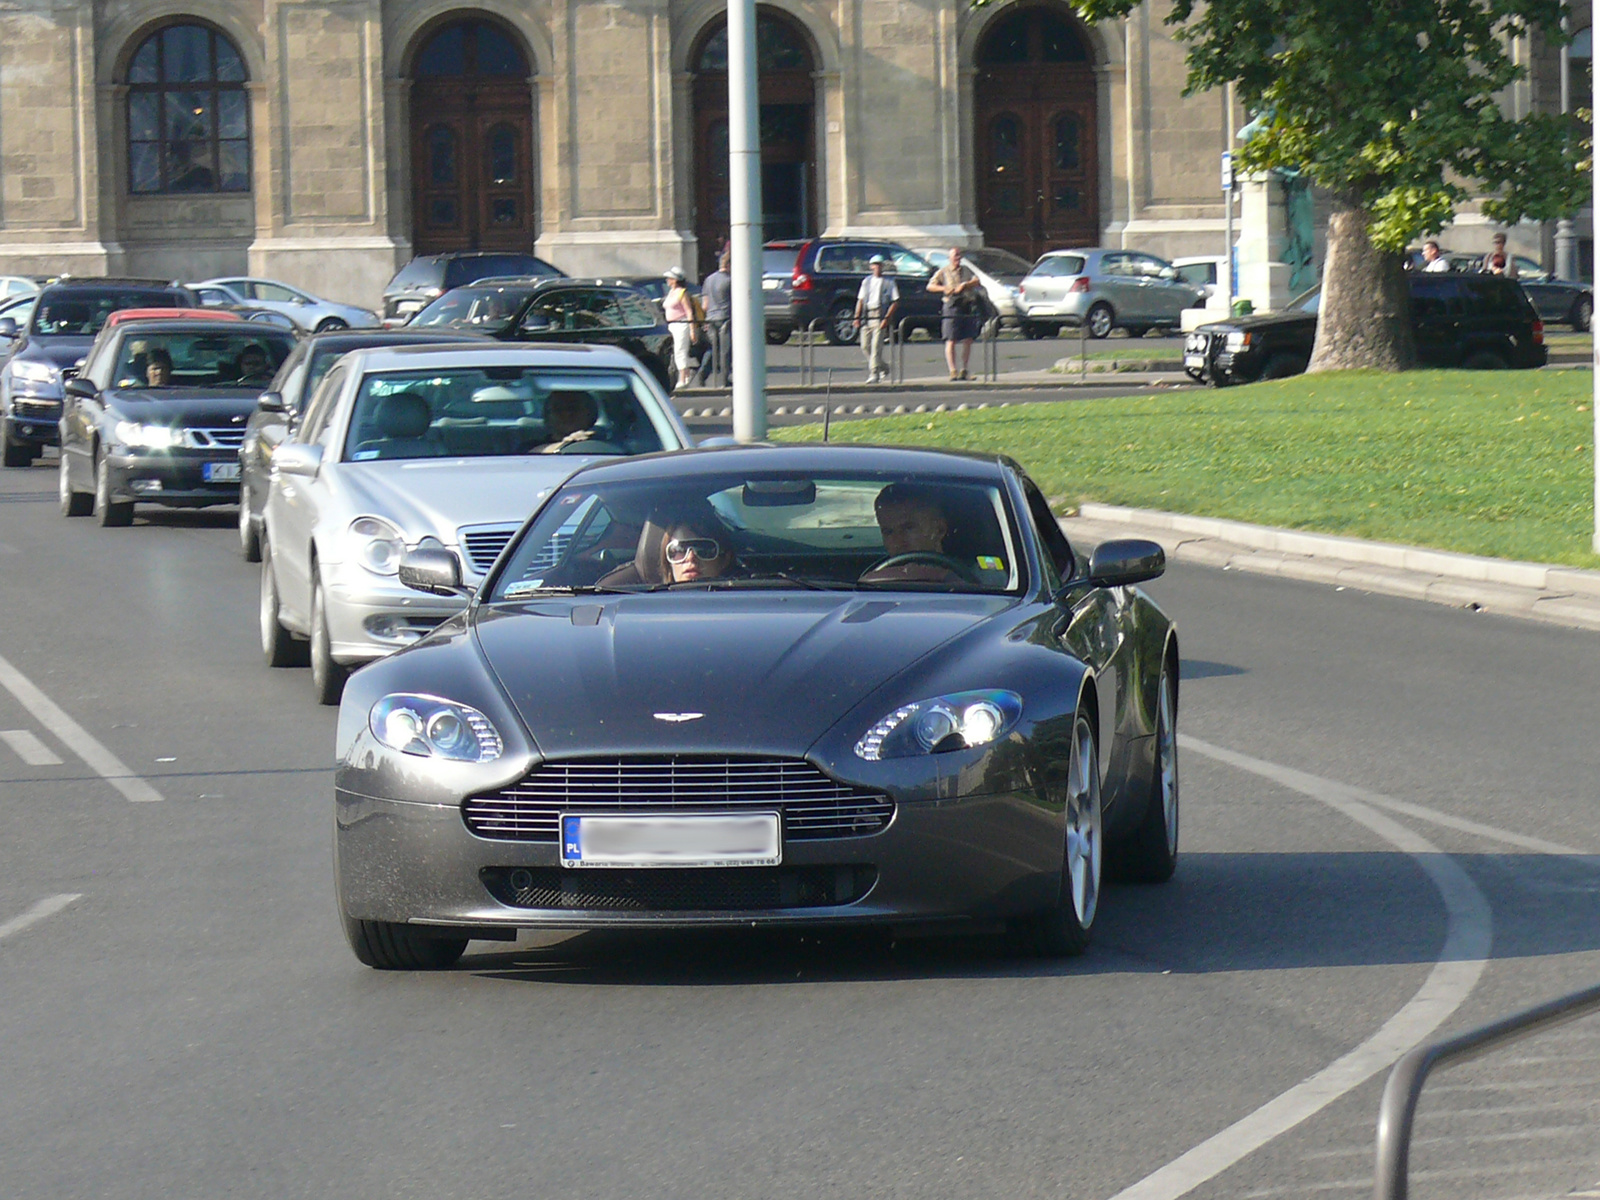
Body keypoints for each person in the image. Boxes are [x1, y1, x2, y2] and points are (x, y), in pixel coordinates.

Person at [861, 482, 964, 583]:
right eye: (888, 532)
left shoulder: (972, 583)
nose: (897, 542)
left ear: (939, 530)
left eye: (908, 528)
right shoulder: (875, 583)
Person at [927, 247, 982, 381]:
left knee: (968, 339)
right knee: (951, 339)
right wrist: (945, 288)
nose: (957, 258)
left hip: (966, 305)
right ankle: (953, 370)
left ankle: (965, 370)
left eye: (959, 255)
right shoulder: (944, 271)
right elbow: (930, 286)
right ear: (950, 258)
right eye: (955, 256)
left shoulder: (966, 270)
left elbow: (977, 281)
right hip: (952, 306)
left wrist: (965, 285)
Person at [854, 254, 900, 383]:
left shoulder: (889, 282)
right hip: (867, 315)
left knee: (876, 346)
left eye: (880, 265)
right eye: (875, 265)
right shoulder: (866, 282)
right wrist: (857, 317)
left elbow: (895, 301)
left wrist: (886, 318)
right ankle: (883, 367)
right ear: (871, 266)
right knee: (865, 346)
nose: (877, 267)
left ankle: (874, 374)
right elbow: (861, 300)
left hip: (880, 315)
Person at [694, 252, 733, 387]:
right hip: (725, 317)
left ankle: (702, 373)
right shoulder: (730, 280)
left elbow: (704, 305)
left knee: (712, 349)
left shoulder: (709, 279)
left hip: (710, 318)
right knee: (725, 350)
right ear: (728, 265)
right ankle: (724, 379)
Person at [661, 267, 701, 389]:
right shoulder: (671, 292)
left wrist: (692, 329)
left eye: (670, 278)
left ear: (675, 279)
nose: (667, 280)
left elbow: (688, 311)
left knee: (680, 350)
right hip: (671, 325)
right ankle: (689, 370)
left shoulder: (682, 293)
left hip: (681, 324)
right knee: (676, 351)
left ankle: (682, 378)